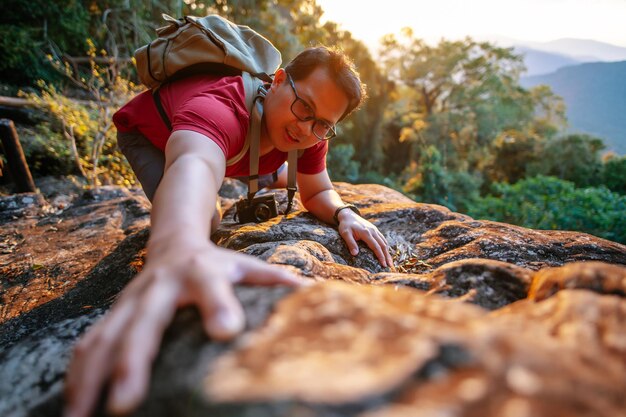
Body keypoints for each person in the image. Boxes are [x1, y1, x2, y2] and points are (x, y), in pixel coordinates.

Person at [63, 46, 393, 417]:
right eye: (304, 108)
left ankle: (270, 173)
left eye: (322, 125)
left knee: (272, 170)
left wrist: (345, 214)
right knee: (208, 223)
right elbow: (195, 161)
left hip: (234, 150)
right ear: (279, 80)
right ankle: (261, 176)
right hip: (155, 138)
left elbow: (316, 191)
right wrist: (178, 247)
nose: (306, 128)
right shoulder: (221, 107)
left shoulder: (310, 133)